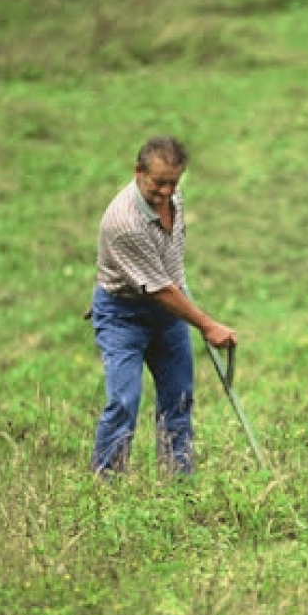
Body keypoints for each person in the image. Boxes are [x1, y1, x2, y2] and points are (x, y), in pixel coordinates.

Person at [89, 135, 237, 477]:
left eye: (173, 183)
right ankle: (106, 485)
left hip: (168, 311)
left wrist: (184, 300)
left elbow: (170, 269)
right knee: (124, 401)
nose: (167, 192)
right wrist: (207, 324)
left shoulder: (173, 200)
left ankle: (179, 483)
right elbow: (159, 290)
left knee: (179, 399)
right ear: (138, 171)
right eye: (159, 183)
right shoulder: (123, 222)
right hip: (123, 314)